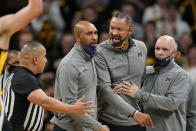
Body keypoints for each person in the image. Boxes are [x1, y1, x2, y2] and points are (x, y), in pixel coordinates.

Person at [3, 41, 95, 131]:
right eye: (44, 56)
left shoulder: (19, 74)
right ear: (35, 59)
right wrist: (73, 109)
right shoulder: (24, 77)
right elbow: (45, 102)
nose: (46, 60)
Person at [115, 35, 192, 131]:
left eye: (165, 49)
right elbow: (137, 99)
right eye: (157, 48)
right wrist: (122, 90)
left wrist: (139, 94)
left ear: (174, 53)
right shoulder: (146, 72)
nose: (160, 52)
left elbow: (171, 103)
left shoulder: (181, 76)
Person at [94, 12, 153, 131]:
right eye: (112, 28)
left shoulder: (141, 47)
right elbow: (105, 90)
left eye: (119, 29)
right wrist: (134, 113)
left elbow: (142, 78)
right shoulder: (99, 52)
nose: (114, 33)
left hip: (137, 121)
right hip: (109, 122)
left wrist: (138, 93)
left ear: (130, 30)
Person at [51, 21, 110, 131]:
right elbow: (70, 105)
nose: (94, 38)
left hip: (86, 126)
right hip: (69, 128)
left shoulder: (89, 57)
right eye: (89, 34)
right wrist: (98, 127)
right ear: (78, 37)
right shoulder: (70, 64)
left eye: (95, 33)